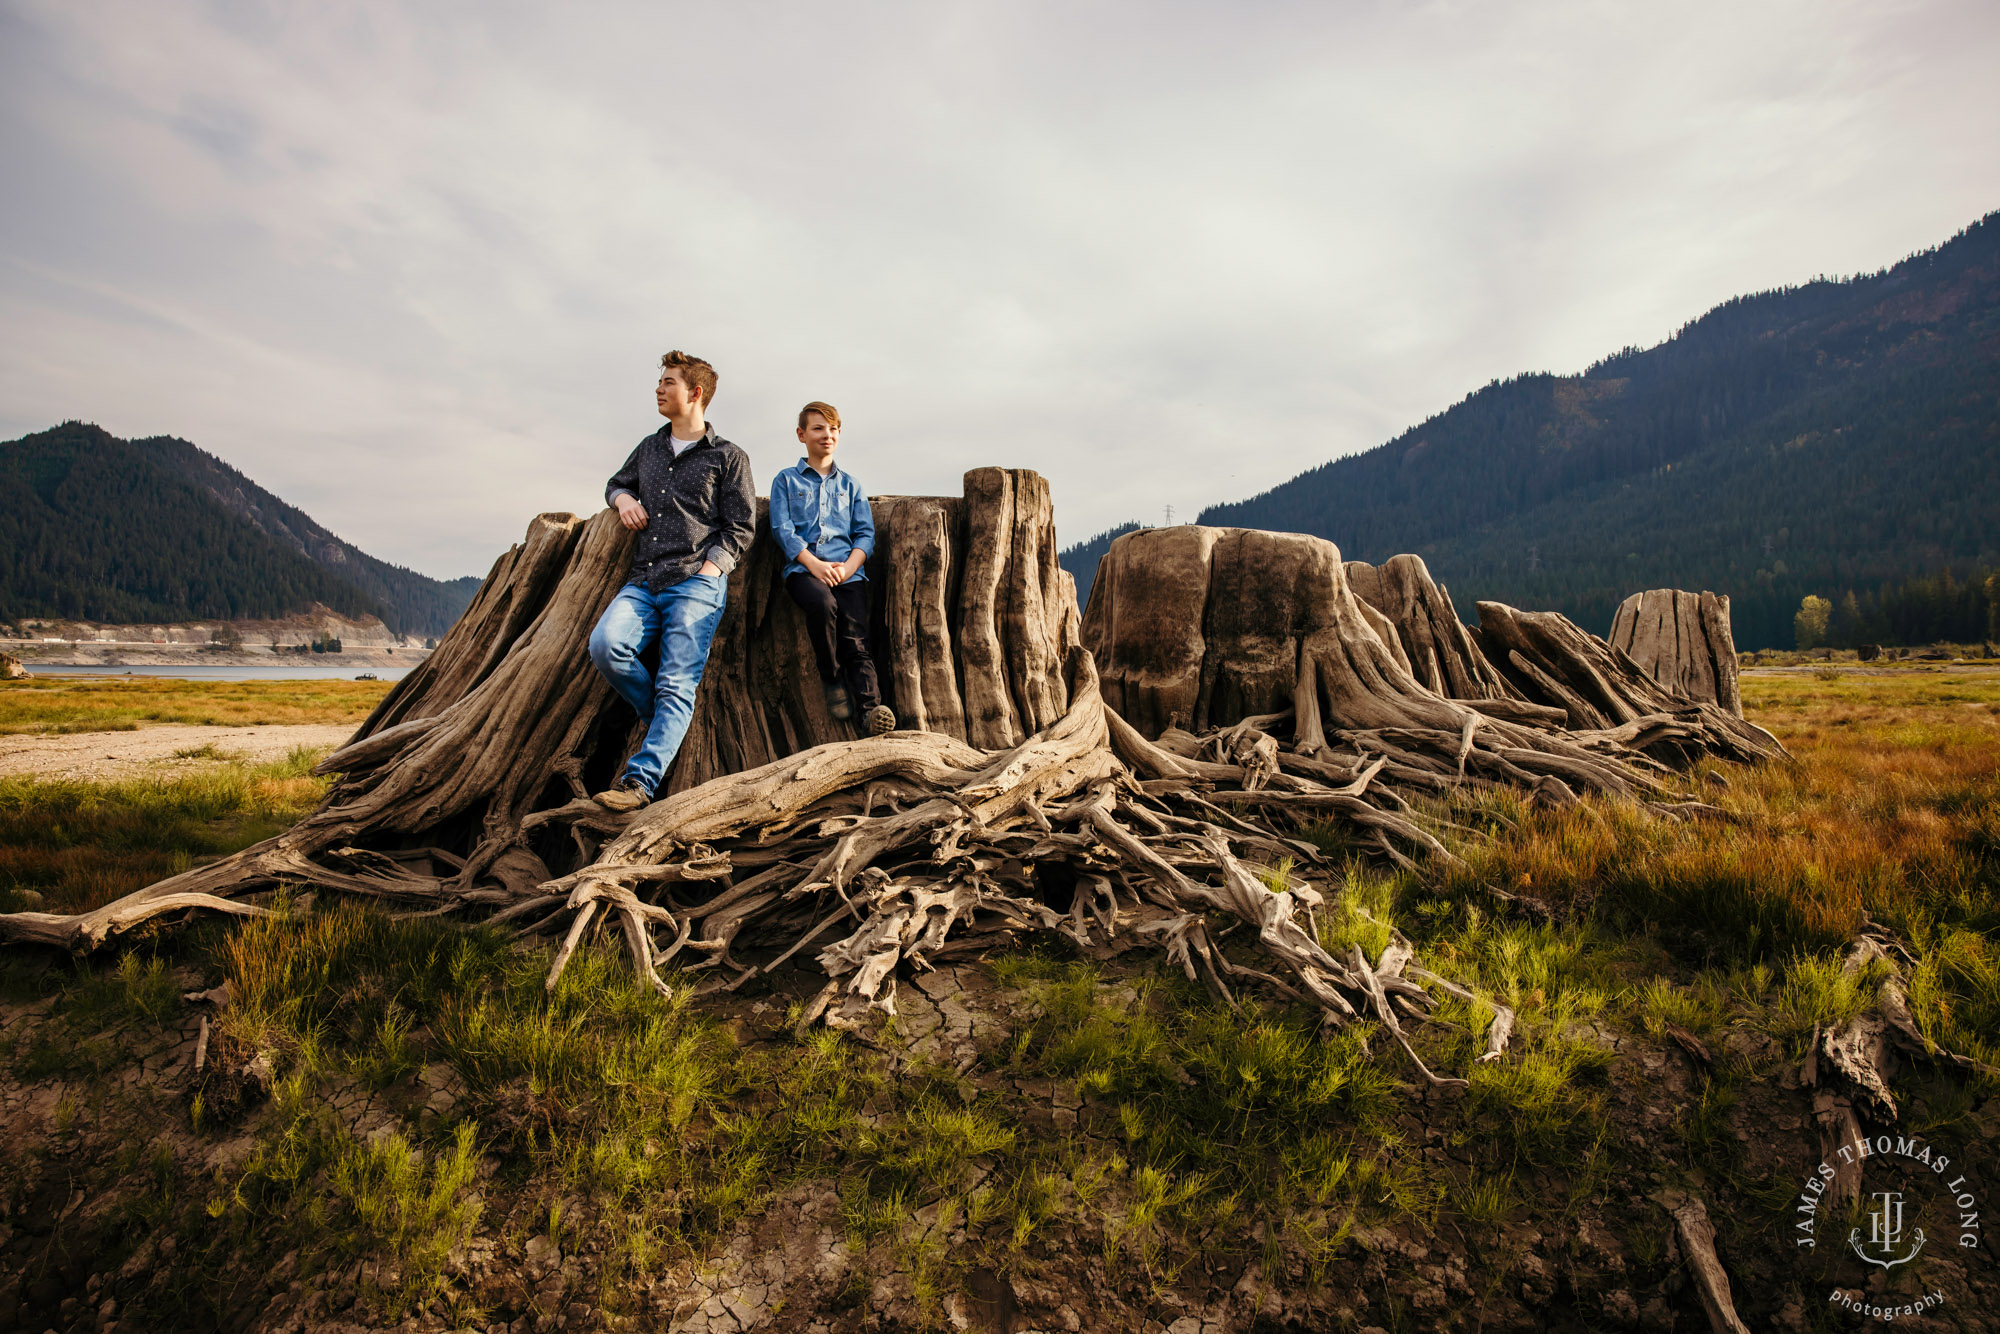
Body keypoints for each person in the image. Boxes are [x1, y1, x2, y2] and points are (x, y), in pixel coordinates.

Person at [587, 351, 756, 810]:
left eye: (668, 382)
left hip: (695, 584)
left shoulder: (728, 456)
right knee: (605, 646)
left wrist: (712, 568)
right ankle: (663, 720)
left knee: (677, 682)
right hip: (644, 580)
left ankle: (638, 783)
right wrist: (622, 499)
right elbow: (615, 483)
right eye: (659, 383)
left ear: (695, 393)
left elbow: (742, 525)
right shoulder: (649, 448)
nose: (658, 390)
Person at [768, 401, 896, 736]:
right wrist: (815, 565)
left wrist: (849, 566)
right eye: (818, 428)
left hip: (848, 573)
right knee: (823, 606)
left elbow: (865, 533)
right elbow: (783, 529)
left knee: (856, 639)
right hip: (805, 572)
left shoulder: (851, 485)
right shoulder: (786, 481)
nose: (827, 435)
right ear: (802, 434)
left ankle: (871, 712)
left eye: (833, 429)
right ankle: (832, 679)